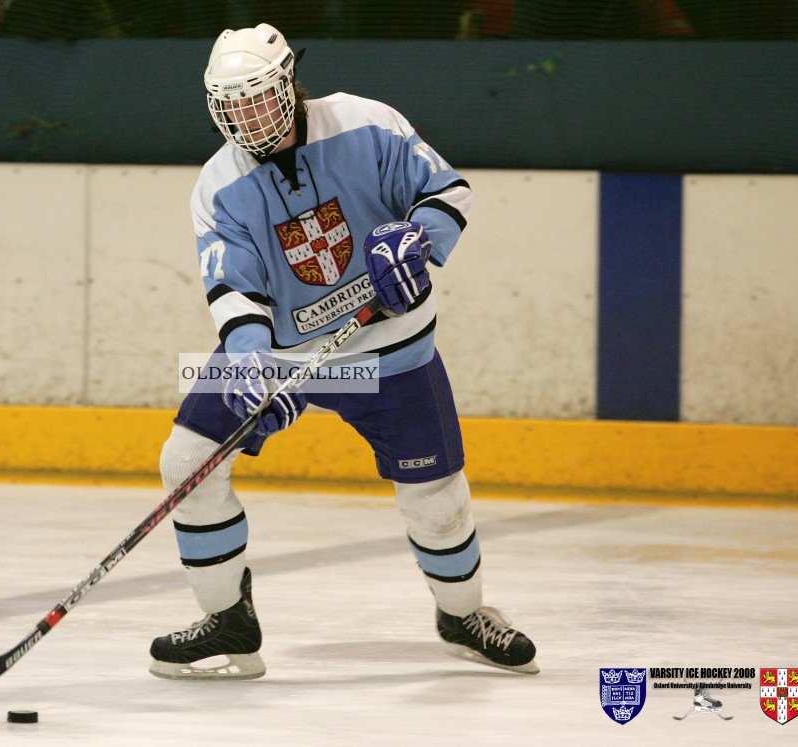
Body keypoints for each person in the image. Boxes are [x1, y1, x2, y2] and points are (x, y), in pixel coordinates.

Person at [149, 22, 538, 680]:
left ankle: (462, 614)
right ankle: (230, 622)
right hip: (285, 358)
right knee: (187, 458)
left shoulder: (365, 123)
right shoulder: (217, 187)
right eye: (232, 106)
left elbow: (447, 192)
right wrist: (247, 357)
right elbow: (234, 288)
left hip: (393, 353)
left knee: (437, 497)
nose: (249, 118)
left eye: (258, 99)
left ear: (289, 84)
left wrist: (416, 240)